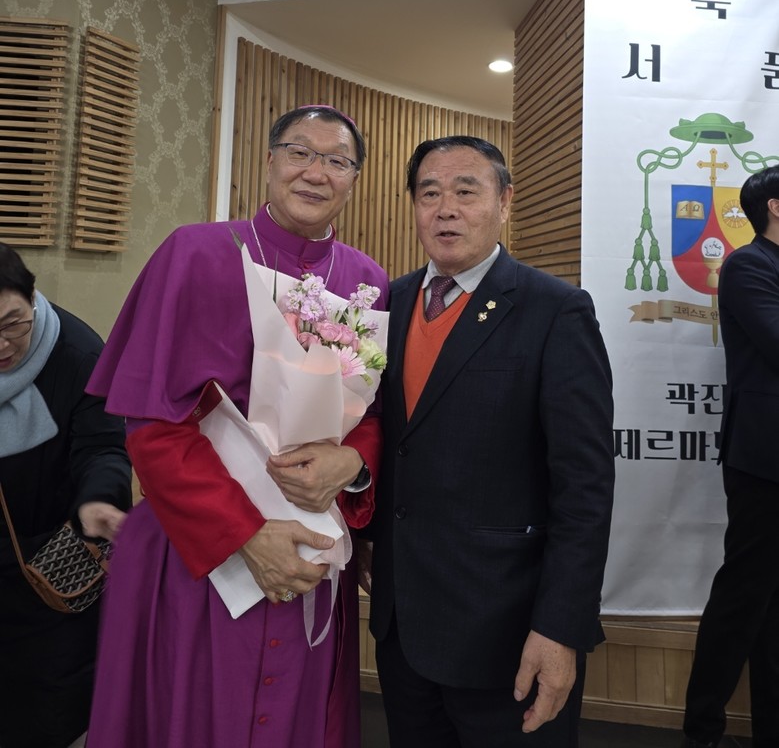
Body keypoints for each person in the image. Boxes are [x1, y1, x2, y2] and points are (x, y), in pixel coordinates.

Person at [85, 104, 389, 748]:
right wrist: (244, 535)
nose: (316, 172)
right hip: (198, 550)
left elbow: (374, 415)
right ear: (270, 160)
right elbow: (153, 426)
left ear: (354, 179)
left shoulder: (367, 282)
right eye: (299, 152)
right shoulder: (193, 253)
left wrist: (353, 462)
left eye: (337, 161)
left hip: (308, 548)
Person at [366, 135, 614, 748]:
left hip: (507, 633)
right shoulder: (386, 304)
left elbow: (584, 487)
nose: (445, 209)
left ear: (504, 201)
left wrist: (561, 628)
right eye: (429, 193)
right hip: (403, 626)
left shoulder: (555, 310)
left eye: (466, 191)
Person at [0, 243, 131, 748]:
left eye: (13, 323)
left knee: (45, 715)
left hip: (50, 571)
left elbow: (104, 448)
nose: (2, 345)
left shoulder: (79, 354)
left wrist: (98, 499)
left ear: (33, 297)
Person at [682, 165, 779, 748]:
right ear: (775, 206)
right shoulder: (749, 265)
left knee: (773, 606)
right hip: (764, 457)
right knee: (743, 596)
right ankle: (702, 729)